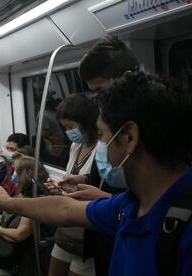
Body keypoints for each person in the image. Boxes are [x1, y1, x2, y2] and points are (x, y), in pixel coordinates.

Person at [0, 71, 192, 276]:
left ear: (130, 137)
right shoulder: (129, 205)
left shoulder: (183, 229)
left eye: (102, 135)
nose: (101, 145)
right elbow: (65, 209)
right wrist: (7, 203)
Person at [57, 35, 140, 276]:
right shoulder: (113, 121)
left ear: (125, 79)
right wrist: (86, 181)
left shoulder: (151, 126)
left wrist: (103, 198)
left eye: (102, 90)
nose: (99, 99)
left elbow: (156, 198)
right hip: (103, 236)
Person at [46, 94, 98, 276]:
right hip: (67, 226)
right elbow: (71, 178)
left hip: (87, 228)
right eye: (65, 127)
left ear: (86, 122)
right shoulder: (76, 146)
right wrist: (59, 187)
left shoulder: (102, 149)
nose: (68, 132)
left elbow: (98, 187)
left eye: (70, 127)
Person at [0, 156, 51, 276]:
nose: (12, 175)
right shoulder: (20, 194)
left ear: (23, 175)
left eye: (15, 172)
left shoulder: (32, 202)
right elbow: (13, 218)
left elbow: (20, 234)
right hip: (7, 250)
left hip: (18, 259)